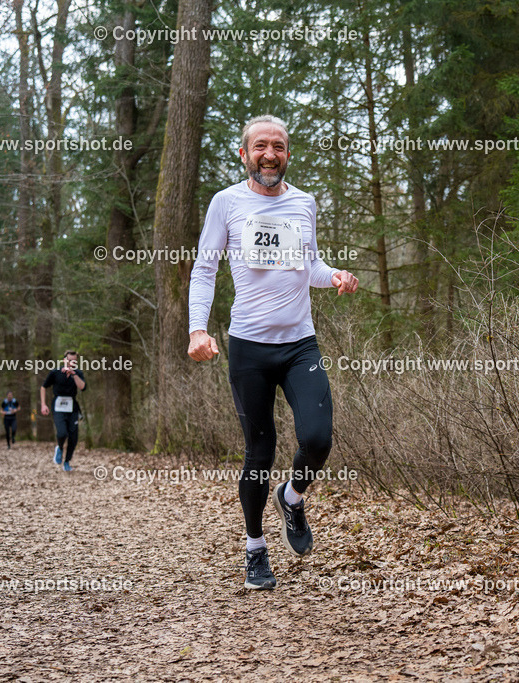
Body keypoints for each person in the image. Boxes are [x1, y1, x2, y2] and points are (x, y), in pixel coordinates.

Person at [188, 115, 359, 590]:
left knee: (318, 438)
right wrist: (196, 329)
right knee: (259, 451)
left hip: (300, 343)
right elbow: (204, 271)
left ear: (288, 153)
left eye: (278, 146)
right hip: (248, 347)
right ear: (244, 154)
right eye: (260, 146)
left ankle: (293, 495)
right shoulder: (226, 203)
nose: (270, 154)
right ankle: (255, 550)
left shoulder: (305, 203)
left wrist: (336, 275)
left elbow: (309, 265)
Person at [40, 351, 86, 472]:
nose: (72, 363)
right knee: (62, 433)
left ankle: (67, 461)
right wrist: (43, 404)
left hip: (72, 408)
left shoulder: (78, 373)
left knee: (73, 438)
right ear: (64, 360)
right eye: (70, 360)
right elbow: (43, 387)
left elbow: (83, 387)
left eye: (74, 361)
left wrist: (74, 375)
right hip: (58, 407)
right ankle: (59, 448)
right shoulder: (55, 373)